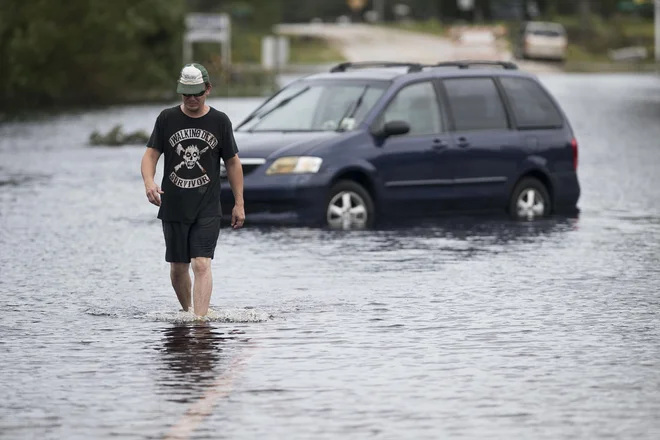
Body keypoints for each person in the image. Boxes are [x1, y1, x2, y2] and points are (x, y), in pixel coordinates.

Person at [140, 62, 245, 318]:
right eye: (186, 93)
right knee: (178, 268)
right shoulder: (167, 118)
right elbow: (151, 155)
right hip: (173, 203)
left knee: (201, 263)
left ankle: (199, 323)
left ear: (207, 89)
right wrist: (149, 182)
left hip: (207, 205)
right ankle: (189, 312)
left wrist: (239, 202)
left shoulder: (220, 121)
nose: (191, 98)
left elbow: (232, 162)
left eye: (197, 92)